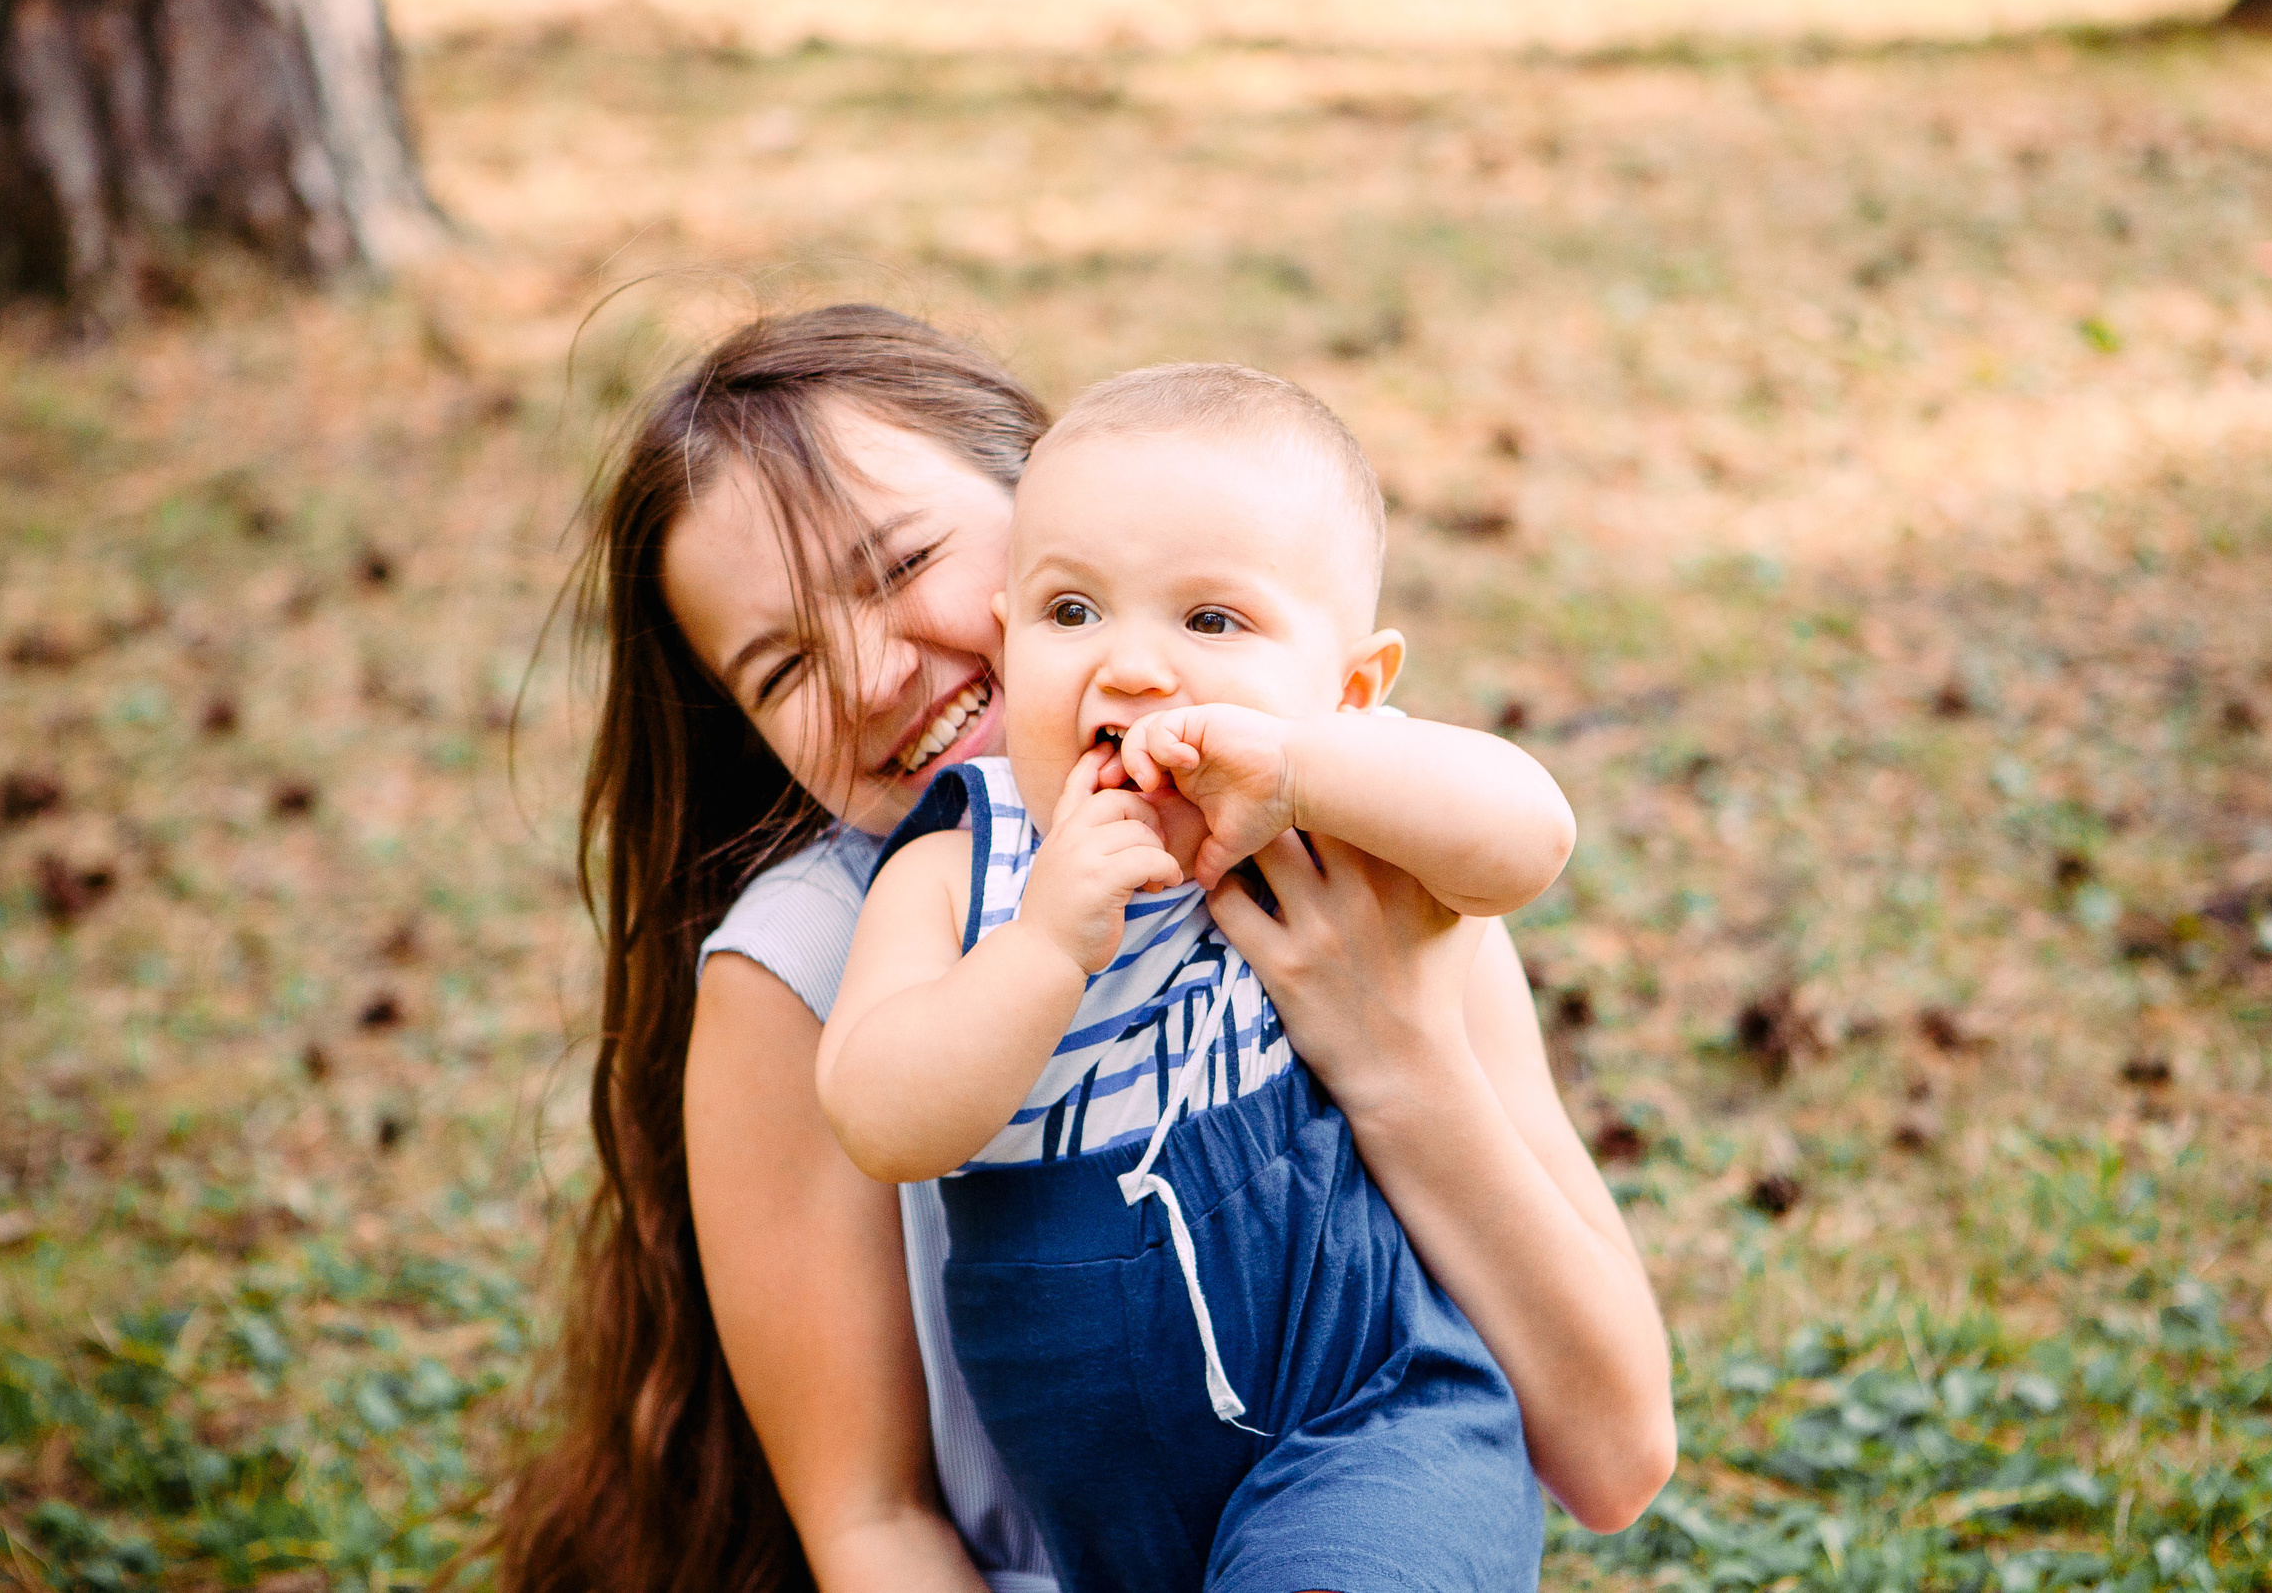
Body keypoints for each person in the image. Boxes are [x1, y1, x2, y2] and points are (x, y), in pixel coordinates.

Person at [493, 306, 1675, 1593]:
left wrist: (1394, 1051)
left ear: (1041, 489)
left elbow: (1614, 1458)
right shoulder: (826, 949)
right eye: (782, 672)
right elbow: (871, 1523)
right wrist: (1044, 939)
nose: (871, 676)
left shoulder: (1354, 822)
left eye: (900, 564)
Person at [820, 362, 1629, 1592]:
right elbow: (879, 1116)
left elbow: (1529, 837)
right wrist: (1043, 947)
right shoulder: (958, 873)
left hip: (1367, 1420)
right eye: (1072, 611)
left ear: (1349, 689)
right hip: (1111, 1515)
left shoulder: (1339, 811)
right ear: (1008, 641)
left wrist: (1303, 772)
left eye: (1210, 622)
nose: (1133, 668)